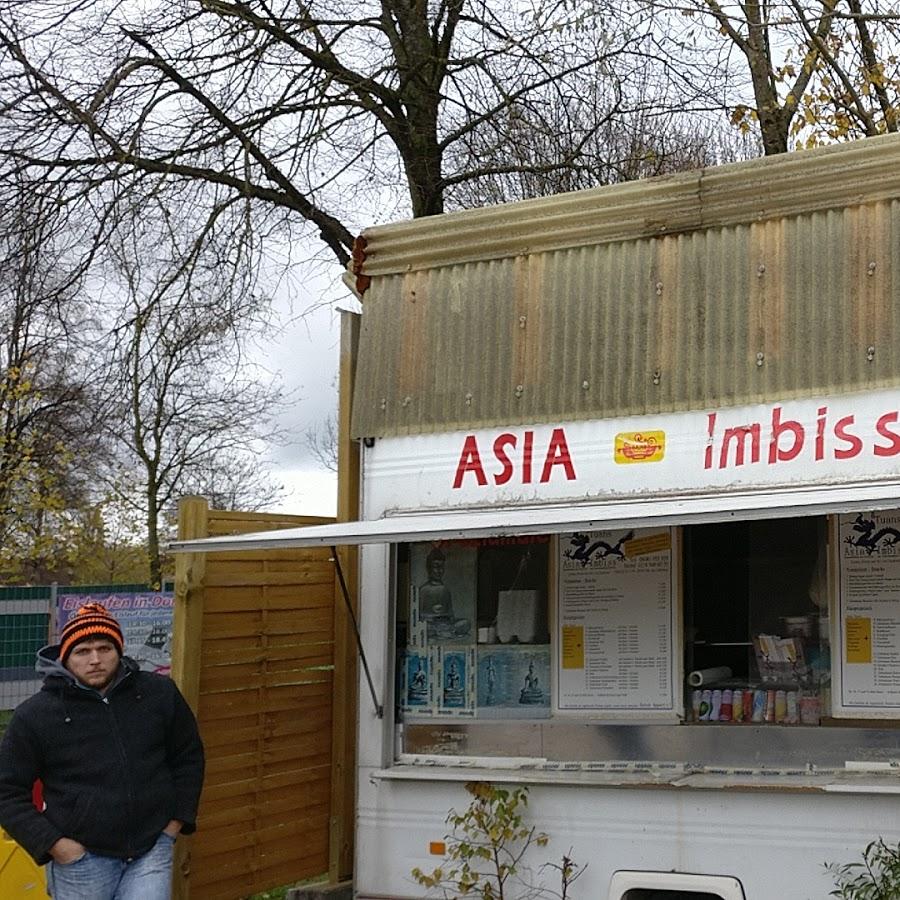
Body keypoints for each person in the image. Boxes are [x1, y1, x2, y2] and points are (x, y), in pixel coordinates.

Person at [0, 602, 205, 900]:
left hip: (151, 851)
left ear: (119, 651)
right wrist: (54, 844)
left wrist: (174, 825)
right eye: (82, 651)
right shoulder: (36, 715)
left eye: (105, 648)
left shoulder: (158, 694)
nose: (95, 659)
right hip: (81, 861)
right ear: (65, 657)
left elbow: (188, 757)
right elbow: (6, 790)